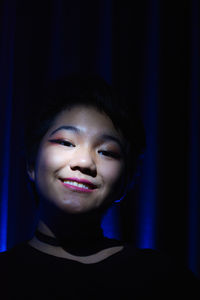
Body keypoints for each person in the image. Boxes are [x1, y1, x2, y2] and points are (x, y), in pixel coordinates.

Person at [0, 74, 199, 299]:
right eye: (66, 142)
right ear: (30, 164)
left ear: (127, 180)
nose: (84, 163)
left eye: (106, 152)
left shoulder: (165, 280)